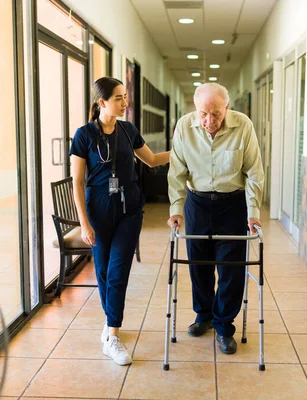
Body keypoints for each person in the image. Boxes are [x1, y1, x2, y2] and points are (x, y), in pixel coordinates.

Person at [70, 77, 170, 365]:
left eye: (125, 97)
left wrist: (182, 154)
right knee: (102, 271)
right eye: (118, 98)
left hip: (129, 208)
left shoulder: (128, 131)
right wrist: (84, 223)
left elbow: (150, 160)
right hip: (98, 210)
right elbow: (77, 182)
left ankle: (112, 335)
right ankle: (110, 319)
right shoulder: (84, 135)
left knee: (117, 271)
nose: (125, 103)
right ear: (102, 102)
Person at [167, 83, 264, 354]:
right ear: (195, 110)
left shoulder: (243, 126)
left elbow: (254, 172)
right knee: (199, 266)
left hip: (232, 204)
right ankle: (204, 316)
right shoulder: (184, 127)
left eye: (216, 114)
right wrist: (176, 208)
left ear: (227, 108)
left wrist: (253, 212)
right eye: (203, 114)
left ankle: (224, 326)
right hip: (197, 203)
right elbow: (177, 171)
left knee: (231, 269)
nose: (209, 121)